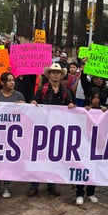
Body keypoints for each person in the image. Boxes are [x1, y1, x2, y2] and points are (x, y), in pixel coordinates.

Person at [27, 63, 74, 197]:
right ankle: (34, 185)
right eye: (53, 72)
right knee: (38, 157)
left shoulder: (65, 91)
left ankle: (52, 184)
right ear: (49, 74)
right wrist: (33, 103)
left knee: (54, 157)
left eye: (57, 72)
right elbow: (34, 102)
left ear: (61, 75)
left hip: (57, 129)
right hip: (42, 127)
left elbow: (70, 104)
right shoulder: (42, 89)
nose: (55, 74)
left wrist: (71, 104)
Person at [0, 72, 26, 198]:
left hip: (12, 135)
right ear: (2, 82)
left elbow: (25, 114)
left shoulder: (19, 96)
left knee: (8, 161)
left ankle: (6, 185)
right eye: (9, 80)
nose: (12, 83)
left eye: (13, 80)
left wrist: (24, 105)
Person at [75, 87, 106, 206]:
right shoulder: (84, 109)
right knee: (81, 168)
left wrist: (106, 112)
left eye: (98, 98)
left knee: (94, 168)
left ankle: (91, 192)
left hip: (96, 144)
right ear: (90, 98)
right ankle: (79, 193)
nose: (96, 100)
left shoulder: (102, 110)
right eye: (94, 98)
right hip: (83, 143)